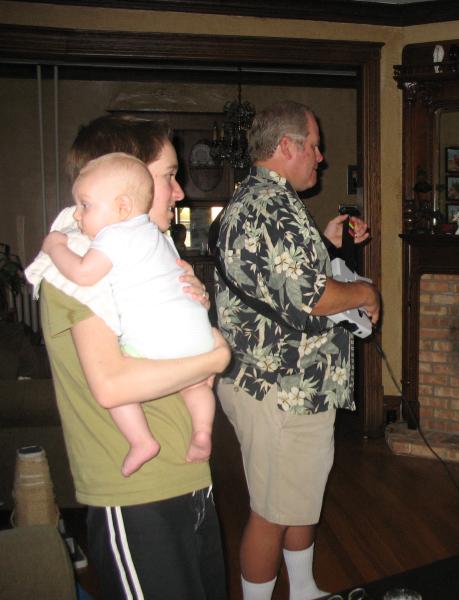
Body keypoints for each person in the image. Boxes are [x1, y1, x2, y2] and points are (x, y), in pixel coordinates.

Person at [27, 115, 230, 600]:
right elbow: (112, 384)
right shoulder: (77, 269)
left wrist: (199, 308)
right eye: (168, 176)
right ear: (123, 182)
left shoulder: (148, 258)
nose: (179, 191)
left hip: (187, 475)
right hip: (138, 495)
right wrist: (214, 358)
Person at [215, 100, 380, 600]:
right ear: (287, 146)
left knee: (299, 499)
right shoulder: (271, 206)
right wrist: (365, 293)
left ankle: (304, 590)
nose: (321, 157)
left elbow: (281, 280)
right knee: (271, 512)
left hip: (296, 386)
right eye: (314, 146)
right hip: (278, 387)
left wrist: (324, 244)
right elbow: (312, 297)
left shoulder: (266, 201)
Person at [41, 152, 216, 477]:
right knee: (196, 388)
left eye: (85, 205)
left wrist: (54, 248)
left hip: (156, 343)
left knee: (121, 392)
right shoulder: (159, 237)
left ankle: (140, 440)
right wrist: (215, 355)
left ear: (122, 206)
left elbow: (83, 274)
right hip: (198, 337)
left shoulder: (114, 234)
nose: (77, 215)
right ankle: (203, 431)